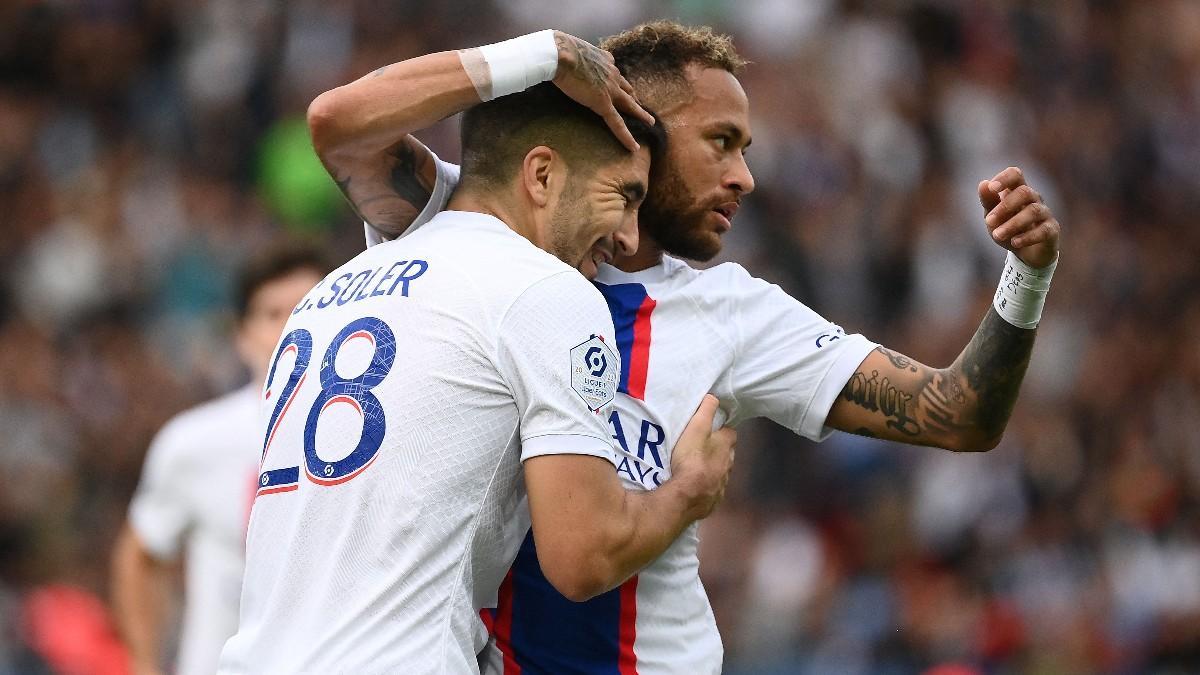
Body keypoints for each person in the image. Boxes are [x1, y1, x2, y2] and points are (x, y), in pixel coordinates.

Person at [307, 21, 1062, 674]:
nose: (746, 177)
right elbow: (342, 122)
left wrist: (1026, 277)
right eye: (721, 143)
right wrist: (540, 56)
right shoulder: (478, 221)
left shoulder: (732, 313)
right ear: (633, 131)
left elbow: (959, 413)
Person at [218, 80, 735, 674]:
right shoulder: (547, 290)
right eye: (622, 195)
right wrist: (687, 493)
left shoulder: (330, 290)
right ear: (541, 176)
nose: (628, 238)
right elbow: (583, 556)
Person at [110, 246, 331, 675]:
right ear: (241, 335)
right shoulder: (194, 442)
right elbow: (139, 553)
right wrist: (144, 664)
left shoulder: (368, 435)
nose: (292, 326)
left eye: (308, 306)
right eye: (272, 314)